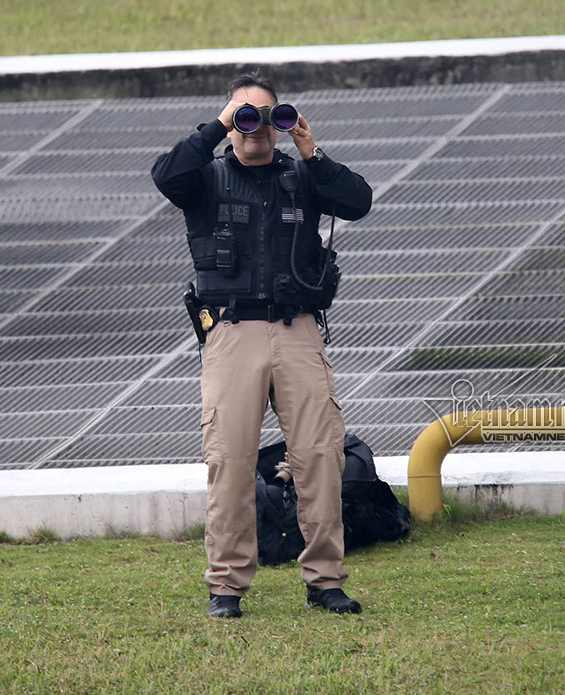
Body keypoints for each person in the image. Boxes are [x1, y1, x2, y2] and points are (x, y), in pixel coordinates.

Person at [151, 71, 372, 617]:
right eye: (243, 116)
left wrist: (312, 150)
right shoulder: (204, 178)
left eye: (263, 116)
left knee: (319, 456)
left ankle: (325, 580)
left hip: (298, 330)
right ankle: (226, 584)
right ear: (230, 123)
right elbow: (166, 174)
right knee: (229, 458)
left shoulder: (303, 177)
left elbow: (359, 200)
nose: (254, 127)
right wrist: (220, 124)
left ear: (279, 122)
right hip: (231, 331)